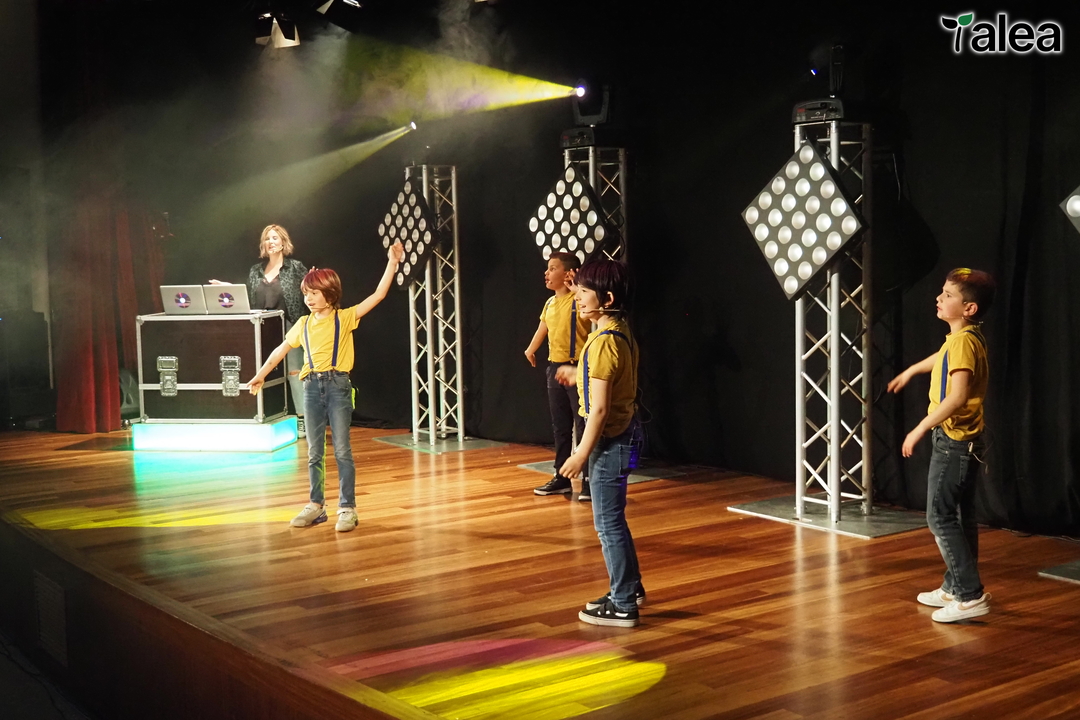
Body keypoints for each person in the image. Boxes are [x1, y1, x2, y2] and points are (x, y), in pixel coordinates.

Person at [248, 241, 404, 533]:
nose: (308, 298)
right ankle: (316, 505)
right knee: (314, 452)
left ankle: (347, 507)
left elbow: (378, 295)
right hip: (311, 388)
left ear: (329, 293)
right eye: (306, 293)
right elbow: (280, 350)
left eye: (314, 293)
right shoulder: (303, 324)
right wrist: (260, 375)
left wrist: (392, 263)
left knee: (342, 450)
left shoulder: (344, 318)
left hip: (337, 386)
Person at [887, 268, 996, 623]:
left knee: (940, 517)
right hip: (963, 443)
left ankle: (969, 594)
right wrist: (913, 370)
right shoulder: (965, 337)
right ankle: (955, 585)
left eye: (949, 295)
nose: (939, 298)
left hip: (953, 443)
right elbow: (944, 356)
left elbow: (957, 396)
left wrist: (919, 429)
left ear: (969, 309)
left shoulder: (964, 341)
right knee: (960, 516)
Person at [556, 259, 645, 627]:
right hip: (625, 438)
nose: (577, 297)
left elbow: (601, 409)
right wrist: (579, 373)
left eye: (584, 292)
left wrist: (580, 454)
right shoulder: (617, 332)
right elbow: (608, 380)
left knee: (607, 524)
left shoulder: (605, 342)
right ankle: (630, 589)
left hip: (611, 444)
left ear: (607, 299)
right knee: (614, 520)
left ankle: (623, 604)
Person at [211, 224, 310, 437]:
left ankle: (303, 418)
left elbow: (309, 290)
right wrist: (228, 287)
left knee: (294, 372)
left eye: (274, 238)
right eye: (267, 238)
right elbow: (247, 295)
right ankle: (258, 413)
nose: (270, 242)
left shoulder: (295, 267)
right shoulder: (256, 271)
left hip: (289, 326)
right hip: (261, 328)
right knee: (259, 371)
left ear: (283, 242)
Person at [524, 253, 593, 500]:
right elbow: (543, 328)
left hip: (577, 369)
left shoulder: (579, 299)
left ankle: (588, 479)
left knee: (583, 424)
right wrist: (530, 349)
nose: (546, 273)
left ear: (567, 274)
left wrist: (578, 286)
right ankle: (562, 477)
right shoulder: (550, 303)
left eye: (552, 268)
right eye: (547, 268)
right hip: (555, 369)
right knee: (560, 426)